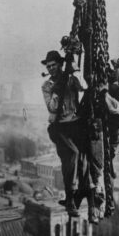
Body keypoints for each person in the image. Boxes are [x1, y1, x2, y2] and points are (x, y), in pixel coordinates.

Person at [41, 49, 87, 216]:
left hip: (74, 125)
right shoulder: (47, 86)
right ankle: (71, 199)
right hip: (59, 127)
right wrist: (57, 90)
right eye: (48, 66)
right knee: (72, 155)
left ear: (60, 65)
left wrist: (74, 69)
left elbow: (83, 86)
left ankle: (72, 198)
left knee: (77, 160)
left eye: (54, 65)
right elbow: (52, 107)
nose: (51, 69)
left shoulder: (70, 78)